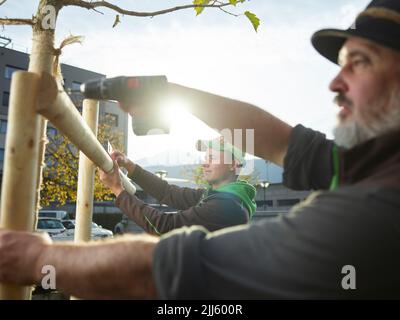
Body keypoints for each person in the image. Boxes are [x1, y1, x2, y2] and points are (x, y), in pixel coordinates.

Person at [0, 0, 400, 299]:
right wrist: (167, 97)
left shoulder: (376, 210)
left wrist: (40, 261)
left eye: (360, 62)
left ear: (234, 162)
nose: (334, 83)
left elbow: (164, 262)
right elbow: (274, 138)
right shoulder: (365, 160)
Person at [99, 137, 257, 235]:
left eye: (212, 157)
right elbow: (167, 192)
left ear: (233, 165)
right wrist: (129, 165)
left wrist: (118, 190)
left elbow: (164, 226)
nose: (205, 163)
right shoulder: (215, 197)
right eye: (205, 157)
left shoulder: (226, 207)